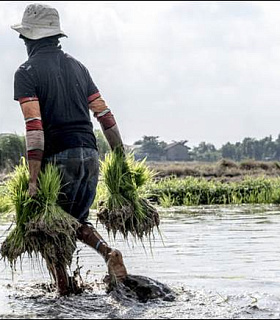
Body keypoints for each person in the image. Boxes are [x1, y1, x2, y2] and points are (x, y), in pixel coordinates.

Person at [11, 3, 128, 295]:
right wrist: (120, 159)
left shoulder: (26, 72)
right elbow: (105, 116)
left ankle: (63, 290)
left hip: (57, 159)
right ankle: (107, 252)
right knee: (75, 222)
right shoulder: (79, 67)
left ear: (29, 39)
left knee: (49, 226)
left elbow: (35, 128)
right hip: (89, 156)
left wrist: (34, 180)